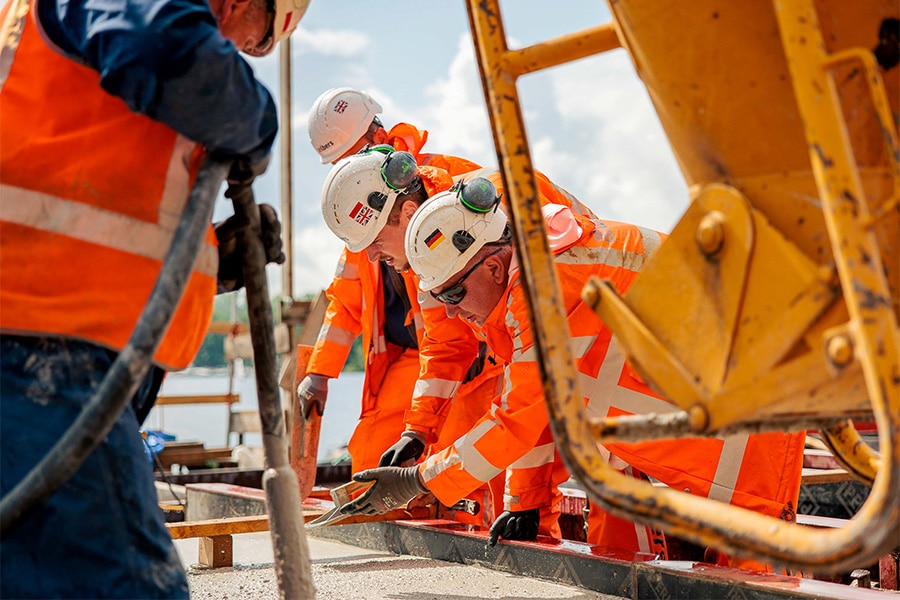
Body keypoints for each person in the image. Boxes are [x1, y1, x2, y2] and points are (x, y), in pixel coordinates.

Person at [339, 176, 807, 568]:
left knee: (751, 571)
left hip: (754, 423)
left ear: (494, 267)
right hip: (708, 413)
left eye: (453, 295)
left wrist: (417, 482)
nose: (452, 313)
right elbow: (533, 401)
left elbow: (515, 419)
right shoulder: (527, 273)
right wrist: (526, 502)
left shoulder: (546, 290)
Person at [0, 0, 306, 595]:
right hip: (43, 359)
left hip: (54, 349)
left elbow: (86, 212)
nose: (243, 56)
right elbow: (166, 51)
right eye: (258, 42)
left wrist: (209, 263)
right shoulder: (156, 22)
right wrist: (257, 120)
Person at [319, 149, 601, 543]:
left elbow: (525, 405)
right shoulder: (430, 244)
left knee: (612, 489)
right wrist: (417, 431)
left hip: (600, 348)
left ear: (407, 212)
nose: (371, 256)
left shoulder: (495, 216)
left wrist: (527, 501)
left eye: (376, 240)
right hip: (553, 358)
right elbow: (446, 345)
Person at [298, 87, 486, 478]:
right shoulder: (359, 212)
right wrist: (320, 371)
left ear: (379, 136)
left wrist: (482, 343)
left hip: (474, 352)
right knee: (372, 456)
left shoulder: (446, 181)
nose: (348, 173)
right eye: (339, 165)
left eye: (353, 157)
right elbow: (346, 299)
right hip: (415, 353)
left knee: (461, 461)